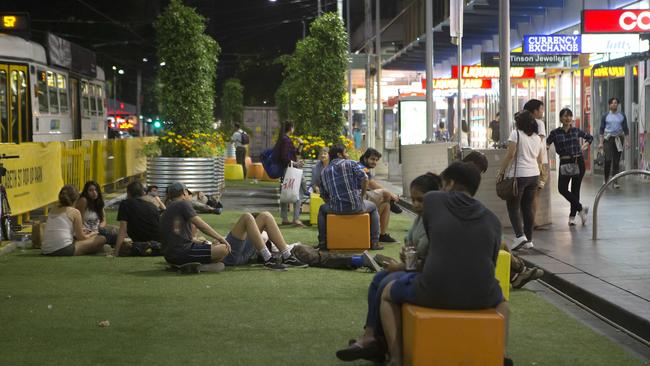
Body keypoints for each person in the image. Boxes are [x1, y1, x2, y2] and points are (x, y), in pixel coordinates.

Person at [335, 173, 442, 364]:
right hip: (416, 268)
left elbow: (427, 258)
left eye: (421, 200)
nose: (416, 204)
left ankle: (390, 351)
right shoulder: (420, 218)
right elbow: (412, 245)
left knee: (386, 282)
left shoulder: (436, 221)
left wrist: (401, 265)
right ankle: (371, 336)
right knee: (378, 279)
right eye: (414, 199)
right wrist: (404, 256)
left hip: (425, 274)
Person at [161, 182, 307, 270]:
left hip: (238, 255)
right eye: (188, 194)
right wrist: (220, 238)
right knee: (247, 217)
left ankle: (286, 255)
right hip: (229, 254)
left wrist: (199, 240)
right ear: (184, 192)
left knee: (266, 216)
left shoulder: (168, 212)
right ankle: (269, 259)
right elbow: (201, 225)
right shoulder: (182, 204)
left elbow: (175, 236)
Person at [463, 150, 544, 289]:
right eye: (479, 171)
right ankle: (520, 269)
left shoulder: (460, 183)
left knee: (498, 242)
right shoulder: (460, 186)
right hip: (461, 243)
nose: (478, 177)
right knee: (494, 242)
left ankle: (516, 275)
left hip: (464, 237)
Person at [318, 144, 382, 250]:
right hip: (355, 206)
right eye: (346, 152)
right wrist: (361, 196)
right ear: (339, 154)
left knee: (322, 209)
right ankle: (374, 242)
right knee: (373, 207)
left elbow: (324, 195)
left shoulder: (324, 171)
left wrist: (333, 202)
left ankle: (322, 242)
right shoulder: (351, 163)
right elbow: (365, 179)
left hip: (335, 209)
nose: (347, 154)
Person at [498, 110, 544, 251]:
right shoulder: (537, 137)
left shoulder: (516, 134)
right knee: (527, 207)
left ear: (519, 122)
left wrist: (501, 171)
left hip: (519, 175)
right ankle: (529, 240)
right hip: (533, 175)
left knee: (513, 206)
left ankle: (519, 236)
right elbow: (540, 160)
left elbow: (510, 154)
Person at [547, 108, 593, 226]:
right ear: (560, 118)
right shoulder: (555, 133)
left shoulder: (576, 130)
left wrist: (585, 145)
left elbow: (590, 137)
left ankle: (572, 217)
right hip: (565, 162)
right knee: (562, 189)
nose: (568, 118)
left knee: (575, 189)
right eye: (565, 116)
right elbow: (546, 144)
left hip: (578, 162)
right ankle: (581, 209)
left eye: (570, 116)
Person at [42, 185, 107, 256]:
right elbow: (81, 237)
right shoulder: (75, 212)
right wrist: (93, 233)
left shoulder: (53, 209)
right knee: (101, 239)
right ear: (76, 199)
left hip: (46, 249)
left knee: (82, 240)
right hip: (64, 249)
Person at [358, 148, 402, 243]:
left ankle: (382, 235)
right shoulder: (362, 168)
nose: (374, 162)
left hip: (362, 197)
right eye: (372, 159)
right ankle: (391, 200)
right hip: (358, 199)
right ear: (365, 158)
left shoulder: (364, 167)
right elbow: (372, 185)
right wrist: (390, 194)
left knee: (386, 205)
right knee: (385, 194)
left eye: (376, 160)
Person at [114, 181, 161, 256]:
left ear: (128, 193)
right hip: (157, 243)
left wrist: (116, 252)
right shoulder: (152, 206)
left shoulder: (125, 204)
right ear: (142, 193)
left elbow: (123, 229)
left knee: (117, 239)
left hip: (139, 243)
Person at [523, 99, 549, 230]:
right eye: (541, 109)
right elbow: (540, 143)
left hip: (526, 162)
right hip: (539, 162)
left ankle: (527, 221)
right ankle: (532, 222)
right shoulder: (539, 123)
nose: (543, 111)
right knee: (535, 194)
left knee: (527, 194)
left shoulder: (522, 124)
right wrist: (539, 163)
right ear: (535, 111)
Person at [275, 121, 305, 227]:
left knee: (286, 192)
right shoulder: (285, 140)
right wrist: (295, 163)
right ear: (291, 128)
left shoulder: (284, 139)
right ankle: (295, 219)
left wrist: (301, 144)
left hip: (288, 170)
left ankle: (285, 218)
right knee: (297, 191)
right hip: (290, 170)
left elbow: (296, 153)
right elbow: (284, 157)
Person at [598, 97, 630, 189]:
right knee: (608, 159)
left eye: (616, 103)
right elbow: (601, 129)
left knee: (616, 161)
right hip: (608, 139)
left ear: (618, 105)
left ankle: (615, 181)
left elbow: (626, 129)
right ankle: (606, 179)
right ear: (609, 105)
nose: (614, 104)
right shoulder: (605, 115)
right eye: (612, 103)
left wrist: (627, 141)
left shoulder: (622, 115)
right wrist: (601, 143)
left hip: (619, 139)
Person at [75, 181, 118, 245]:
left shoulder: (99, 202)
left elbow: (103, 220)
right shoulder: (83, 201)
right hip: (87, 232)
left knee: (118, 231)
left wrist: (100, 228)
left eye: (96, 190)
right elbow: (79, 222)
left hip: (98, 230)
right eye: (90, 190)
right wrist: (89, 232)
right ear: (86, 192)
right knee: (113, 237)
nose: (94, 192)